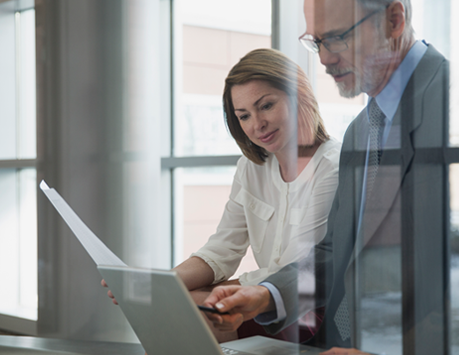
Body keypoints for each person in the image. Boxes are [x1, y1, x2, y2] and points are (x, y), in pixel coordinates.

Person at [201, 0, 449, 353]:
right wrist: (265, 294)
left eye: (337, 38)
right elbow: (335, 253)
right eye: (316, 42)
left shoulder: (458, 105)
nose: (324, 59)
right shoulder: (361, 131)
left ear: (394, 20)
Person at [104, 48, 341, 342]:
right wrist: (162, 285)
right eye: (243, 116)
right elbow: (222, 249)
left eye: (266, 105)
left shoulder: (332, 166)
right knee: (175, 308)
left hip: (304, 307)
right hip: (260, 299)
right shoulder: (251, 167)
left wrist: (204, 296)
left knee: (195, 314)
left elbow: (291, 270)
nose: (257, 125)